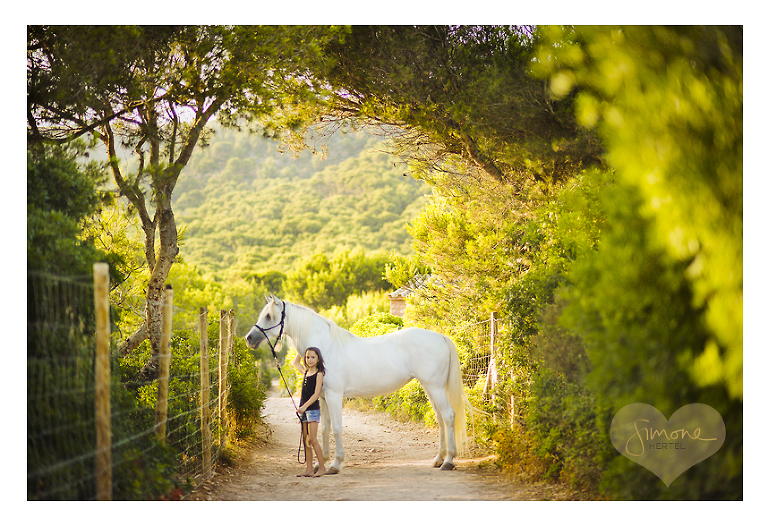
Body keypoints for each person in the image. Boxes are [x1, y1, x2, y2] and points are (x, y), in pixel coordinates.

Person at [292, 347, 326, 477]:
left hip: (312, 410)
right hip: (304, 410)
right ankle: (309, 469)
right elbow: (295, 363)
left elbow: (316, 395)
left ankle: (322, 468)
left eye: (313, 357)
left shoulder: (319, 374)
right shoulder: (305, 371)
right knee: (306, 440)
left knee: (312, 439)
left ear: (318, 359)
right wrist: (299, 348)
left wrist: (304, 407)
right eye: (307, 357)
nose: (309, 360)